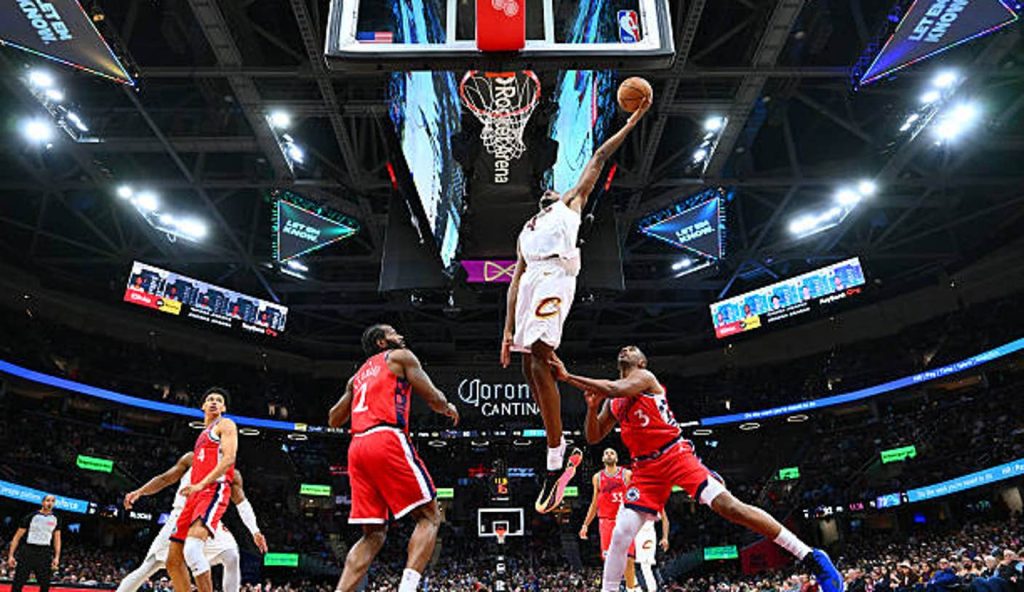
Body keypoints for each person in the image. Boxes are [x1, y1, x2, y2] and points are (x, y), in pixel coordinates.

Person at [550, 346, 844, 592]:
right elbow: (593, 436)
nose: (626, 349)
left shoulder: (643, 377)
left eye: (633, 349)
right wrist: (590, 408)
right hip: (645, 469)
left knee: (731, 508)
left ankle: (811, 556)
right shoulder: (613, 402)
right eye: (623, 349)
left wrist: (569, 377)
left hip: (675, 453)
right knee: (620, 533)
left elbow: (615, 387)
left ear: (640, 362)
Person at [501, 95, 652, 513]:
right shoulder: (526, 230)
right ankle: (557, 453)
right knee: (531, 364)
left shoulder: (572, 204)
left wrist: (635, 118)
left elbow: (601, 155)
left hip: (554, 277)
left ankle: (556, 459)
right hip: (532, 280)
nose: (550, 189)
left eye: (556, 186)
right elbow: (514, 282)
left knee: (542, 354)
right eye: (546, 189)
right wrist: (507, 330)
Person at [328, 324, 459, 592]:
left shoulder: (357, 376)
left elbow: (333, 418)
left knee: (373, 534)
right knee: (430, 516)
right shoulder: (400, 357)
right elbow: (433, 397)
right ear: (380, 342)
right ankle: (407, 588)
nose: (399, 335)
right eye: (392, 332)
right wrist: (448, 407)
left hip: (357, 447)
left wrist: (352, 392)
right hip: (385, 437)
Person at [119, 453, 268, 592]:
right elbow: (165, 479)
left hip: (207, 519)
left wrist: (255, 531)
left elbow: (242, 504)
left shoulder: (232, 473)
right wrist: (140, 491)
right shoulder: (192, 458)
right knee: (150, 565)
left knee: (231, 556)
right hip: (181, 515)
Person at [166, 387, 238, 592]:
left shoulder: (225, 424)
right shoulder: (202, 435)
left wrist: (201, 484)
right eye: (210, 399)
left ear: (223, 407)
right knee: (173, 561)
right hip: (194, 497)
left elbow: (229, 458)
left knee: (193, 549)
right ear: (203, 406)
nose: (214, 402)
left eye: (219, 400)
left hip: (213, 491)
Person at [579, 448, 639, 591]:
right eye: (606, 453)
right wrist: (585, 525)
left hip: (624, 521)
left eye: (612, 453)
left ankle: (632, 589)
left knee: (629, 559)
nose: (609, 454)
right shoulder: (597, 477)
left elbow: (635, 497)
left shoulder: (627, 474)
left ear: (617, 458)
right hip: (606, 522)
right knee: (611, 562)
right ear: (602, 459)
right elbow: (595, 503)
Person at [7, 494, 61, 592]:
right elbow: (16, 537)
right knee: (18, 582)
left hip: (45, 552)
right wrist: (11, 555)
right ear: (42, 502)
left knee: (45, 584)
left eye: (52, 501)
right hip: (28, 551)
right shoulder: (31, 516)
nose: (50, 503)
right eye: (48, 500)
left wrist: (57, 557)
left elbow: (57, 539)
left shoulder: (56, 518)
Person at [634, 510, 670, 592]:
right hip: (632, 532)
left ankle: (652, 589)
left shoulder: (656, 501)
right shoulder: (632, 499)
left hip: (647, 534)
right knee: (626, 562)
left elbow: (665, 520)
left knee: (645, 566)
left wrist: (665, 538)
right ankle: (635, 588)